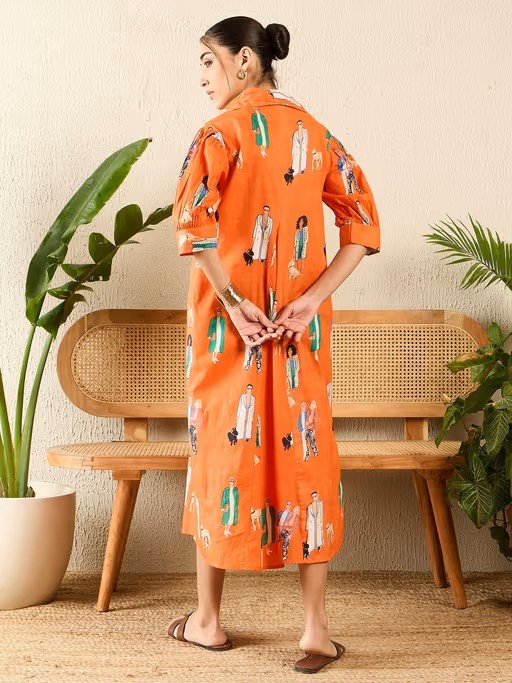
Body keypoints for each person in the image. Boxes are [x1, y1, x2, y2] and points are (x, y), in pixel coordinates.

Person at [168, 16, 380, 674]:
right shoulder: (314, 133)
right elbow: (363, 222)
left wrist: (233, 303)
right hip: (296, 334)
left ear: (245, 61)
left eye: (208, 61)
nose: (202, 77)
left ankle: (207, 621)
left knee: (217, 457)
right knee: (308, 463)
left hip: (227, 334)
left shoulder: (218, 134)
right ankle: (315, 632)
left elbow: (193, 226)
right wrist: (312, 298)